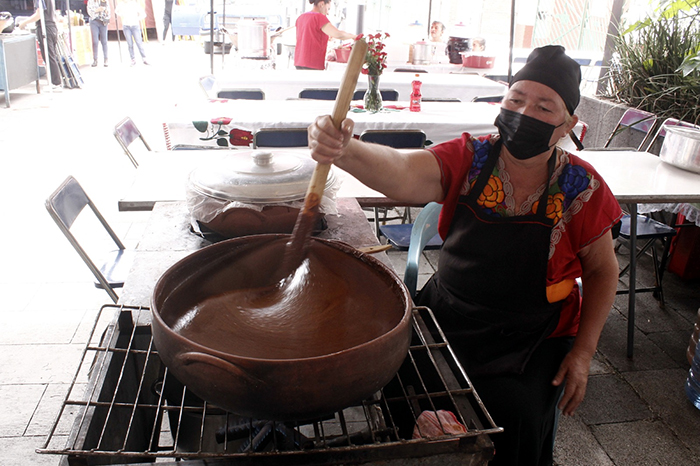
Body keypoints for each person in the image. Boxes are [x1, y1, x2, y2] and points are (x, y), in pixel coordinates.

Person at [307, 45, 622, 465]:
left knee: (516, 413)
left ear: (569, 124)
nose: (525, 113)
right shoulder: (471, 158)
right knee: (400, 380)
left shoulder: (582, 188)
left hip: (532, 334)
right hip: (448, 311)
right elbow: (403, 171)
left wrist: (583, 354)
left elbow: (602, 271)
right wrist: (347, 149)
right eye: (515, 100)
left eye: (544, 107)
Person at [294, 0, 355, 70]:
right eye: (328, 8)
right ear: (322, 4)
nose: (328, 12)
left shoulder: (301, 17)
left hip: (299, 61)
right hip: (313, 63)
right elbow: (338, 34)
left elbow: (308, 35)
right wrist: (354, 36)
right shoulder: (319, 17)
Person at [18, 0, 62, 90]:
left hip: (45, 27)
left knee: (49, 56)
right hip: (52, 27)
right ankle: (56, 81)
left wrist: (23, 23)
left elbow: (38, 14)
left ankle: (56, 82)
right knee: (52, 55)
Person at [115, 0, 149, 66]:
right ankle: (132, 59)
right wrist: (121, 14)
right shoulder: (122, 4)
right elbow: (116, 11)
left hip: (135, 25)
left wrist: (137, 18)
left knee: (139, 42)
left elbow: (143, 14)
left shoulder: (135, 4)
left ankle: (144, 58)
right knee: (130, 43)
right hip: (126, 26)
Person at [87, 0, 110, 67]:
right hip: (94, 21)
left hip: (103, 22)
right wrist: (97, 10)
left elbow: (109, 12)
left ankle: (106, 59)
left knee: (104, 41)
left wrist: (106, 12)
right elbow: (90, 12)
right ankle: (95, 59)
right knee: (95, 41)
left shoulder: (105, 1)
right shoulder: (90, 1)